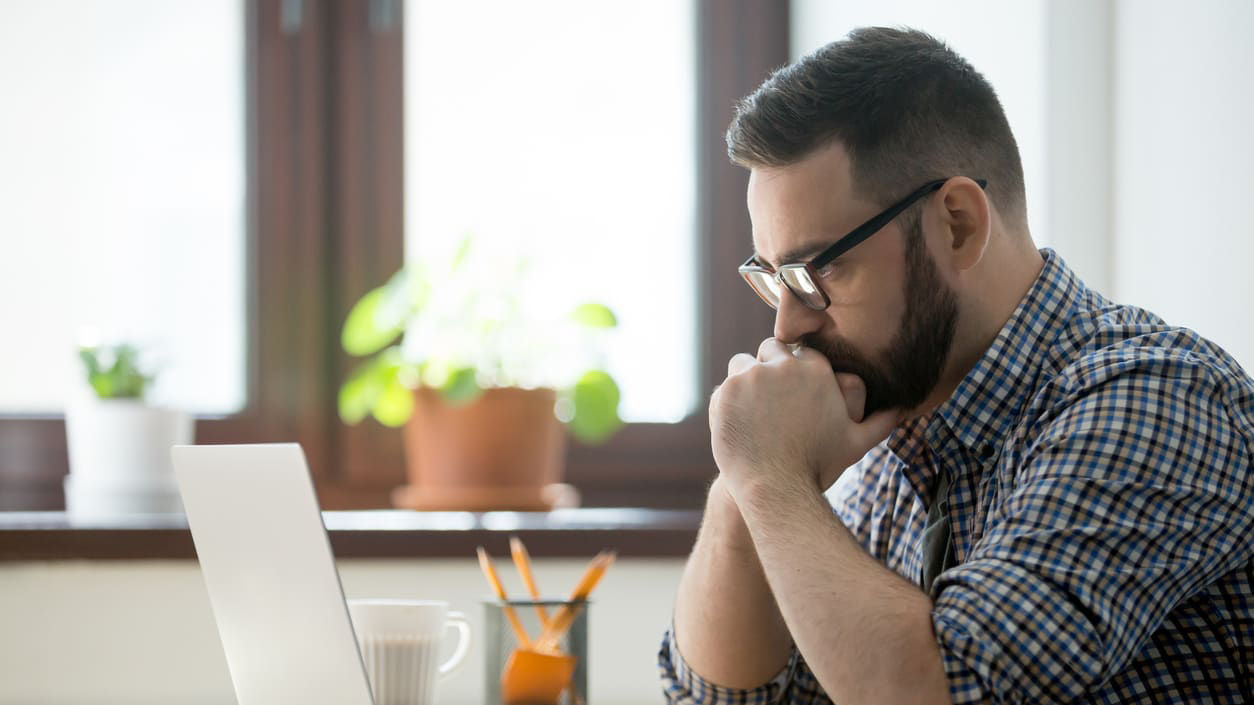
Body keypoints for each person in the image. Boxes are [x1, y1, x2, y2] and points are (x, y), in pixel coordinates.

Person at [659, 26, 1254, 704]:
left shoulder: (1154, 398)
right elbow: (730, 697)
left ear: (958, 224)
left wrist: (771, 479)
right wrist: (741, 482)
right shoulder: (897, 447)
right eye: (775, 279)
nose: (788, 324)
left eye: (820, 268)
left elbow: (952, 686)